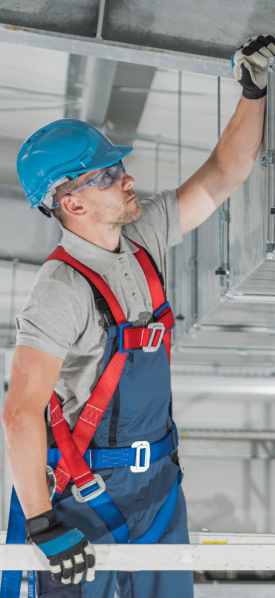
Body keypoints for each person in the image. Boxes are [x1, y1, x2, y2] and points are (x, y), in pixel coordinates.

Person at [1, 34, 274, 598]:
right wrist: (41, 525)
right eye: (108, 175)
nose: (127, 179)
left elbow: (226, 170)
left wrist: (253, 92)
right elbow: (20, 412)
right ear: (71, 202)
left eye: (118, 166)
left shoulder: (142, 235)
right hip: (81, 497)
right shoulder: (62, 287)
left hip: (157, 486)